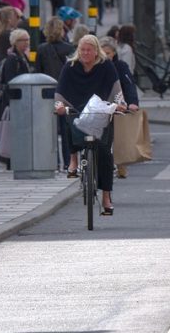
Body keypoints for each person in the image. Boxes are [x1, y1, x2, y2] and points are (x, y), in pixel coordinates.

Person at [55, 35, 125, 214]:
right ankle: (73, 160)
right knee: (69, 120)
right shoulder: (70, 67)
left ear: (96, 51)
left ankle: (106, 196)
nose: (85, 53)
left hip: (100, 111)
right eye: (82, 50)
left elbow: (116, 88)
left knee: (105, 154)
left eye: (89, 50)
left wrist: (120, 104)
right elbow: (60, 92)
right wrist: (60, 106)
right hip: (78, 109)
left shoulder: (106, 65)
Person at [37, 17, 75, 171]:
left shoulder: (41, 49)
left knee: (50, 130)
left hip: (47, 94)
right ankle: (68, 162)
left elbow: (38, 72)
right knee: (66, 130)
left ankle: (54, 161)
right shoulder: (69, 49)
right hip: (65, 93)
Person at [99, 36, 139, 179]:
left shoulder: (121, 66)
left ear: (114, 53)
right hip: (100, 105)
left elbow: (129, 85)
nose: (105, 56)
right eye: (102, 53)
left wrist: (132, 102)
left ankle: (121, 164)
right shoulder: (95, 66)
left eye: (108, 53)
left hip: (118, 105)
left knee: (118, 138)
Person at [0, 29, 33, 168]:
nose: (26, 43)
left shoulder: (23, 57)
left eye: (27, 40)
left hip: (22, 101)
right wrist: (17, 99)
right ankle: (10, 160)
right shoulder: (12, 59)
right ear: (15, 42)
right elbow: (11, 82)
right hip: (14, 101)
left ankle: (16, 158)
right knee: (12, 131)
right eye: (23, 40)